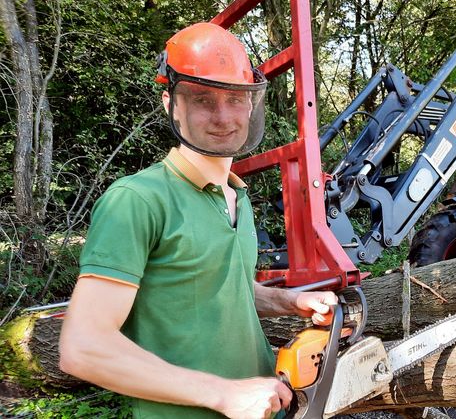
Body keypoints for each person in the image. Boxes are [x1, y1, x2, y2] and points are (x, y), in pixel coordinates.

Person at [59, 22, 338, 419]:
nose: (223, 116)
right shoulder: (137, 200)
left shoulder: (235, 194)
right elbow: (83, 347)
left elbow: (217, 288)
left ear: (252, 104)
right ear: (171, 104)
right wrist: (223, 394)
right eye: (202, 99)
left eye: (235, 98)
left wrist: (289, 301)